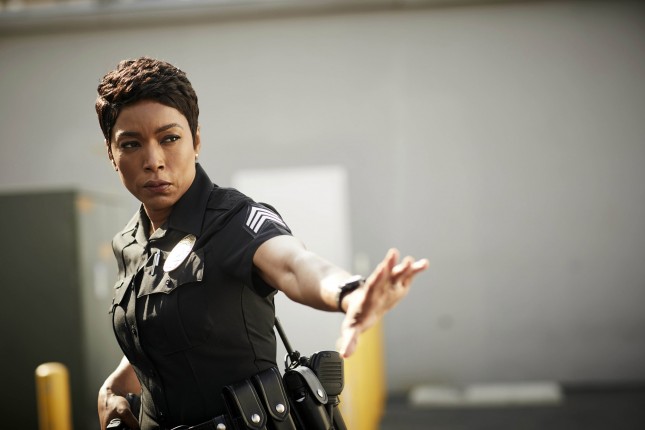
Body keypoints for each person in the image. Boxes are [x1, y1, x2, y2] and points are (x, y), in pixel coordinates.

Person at [95, 56, 429, 430]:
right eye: (131, 144)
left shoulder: (233, 219)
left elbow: (295, 265)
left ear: (196, 140)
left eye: (169, 138)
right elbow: (157, 336)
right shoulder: (128, 242)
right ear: (111, 154)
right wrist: (112, 389)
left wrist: (349, 292)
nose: (153, 160)